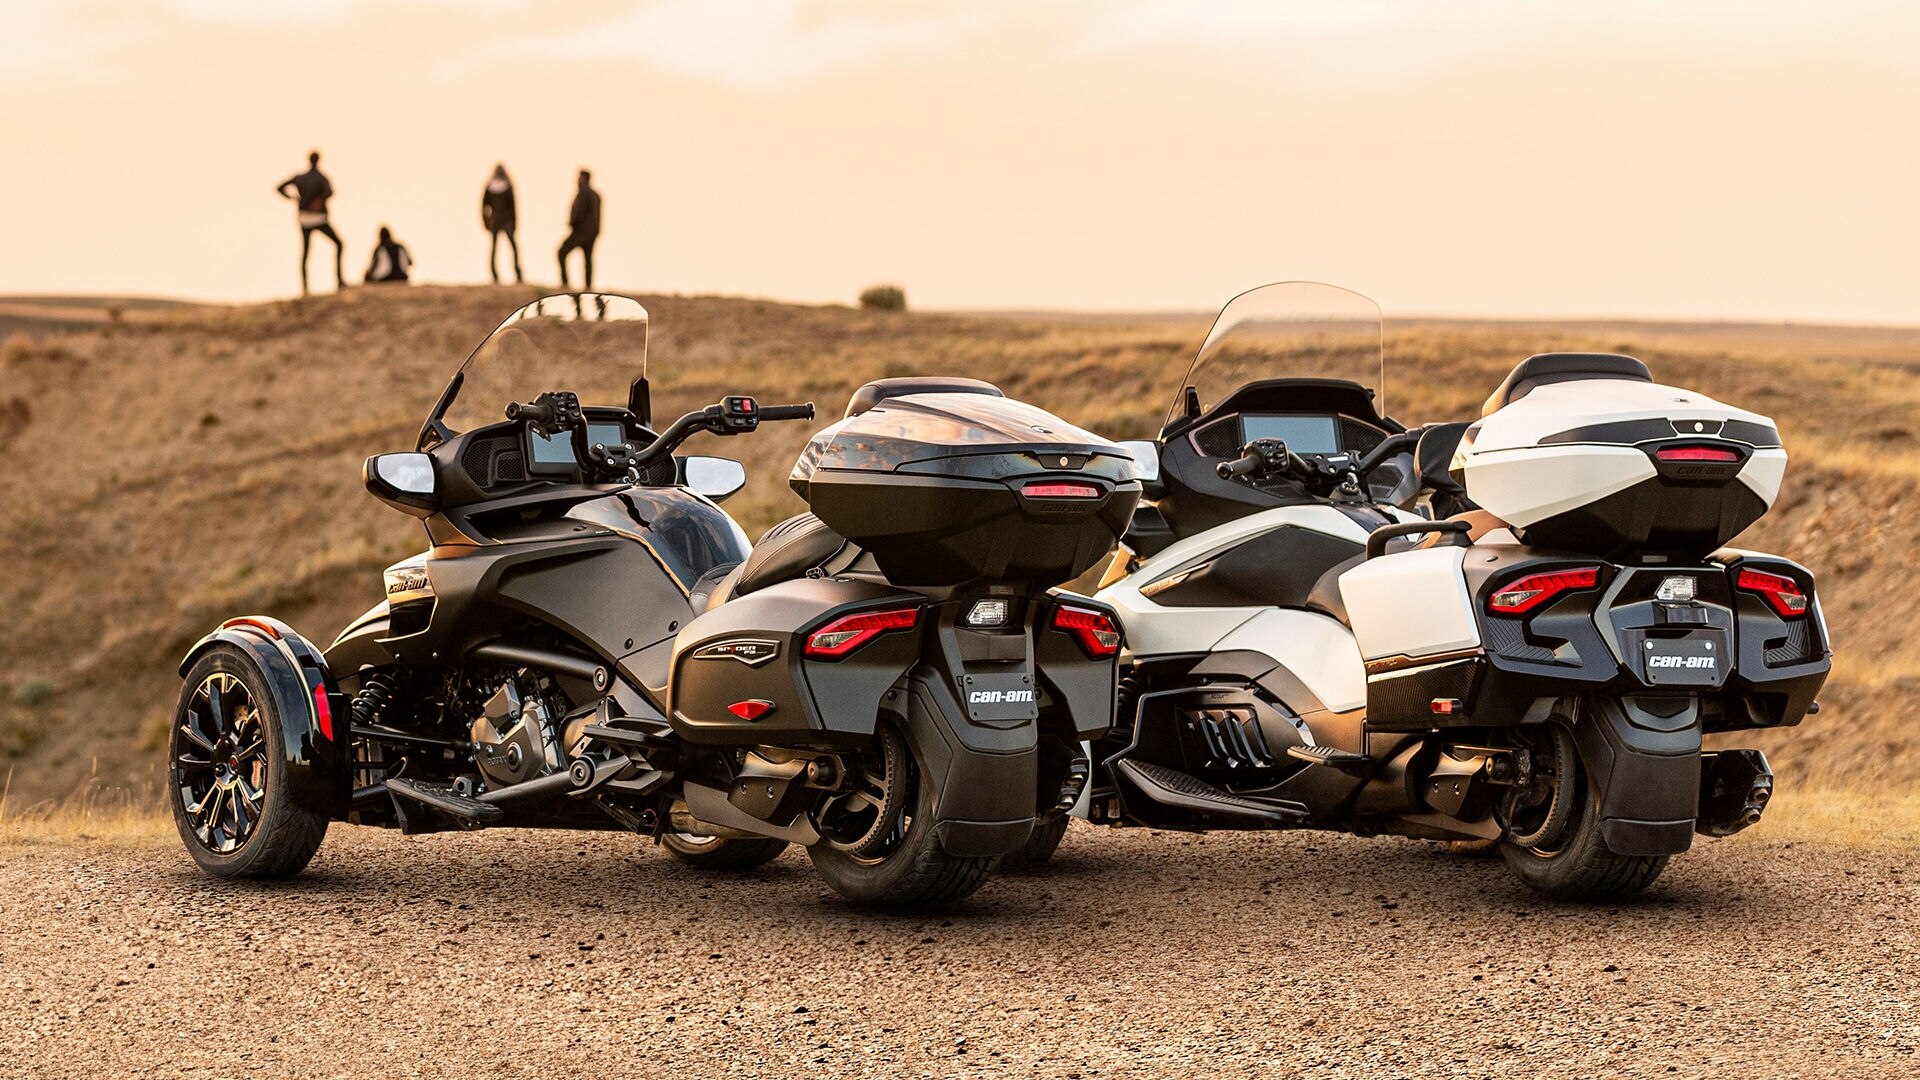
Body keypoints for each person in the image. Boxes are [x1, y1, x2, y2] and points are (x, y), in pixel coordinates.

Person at [277, 151, 344, 296]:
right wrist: (319, 200)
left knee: (306, 252)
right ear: (318, 160)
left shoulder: (300, 177)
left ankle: (305, 288)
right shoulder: (321, 178)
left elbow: (279, 187)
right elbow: (330, 192)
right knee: (339, 244)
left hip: (303, 219)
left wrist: (292, 198)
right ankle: (339, 280)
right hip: (319, 218)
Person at [558, 169, 601, 290]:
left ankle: (565, 283)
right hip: (591, 233)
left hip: (581, 232)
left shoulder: (584, 193)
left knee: (561, 252)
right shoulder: (596, 195)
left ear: (583, 178)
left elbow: (579, 212)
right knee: (588, 259)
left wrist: (573, 223)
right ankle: (588, 287)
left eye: (579, 177)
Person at [481, 164, 522, 284]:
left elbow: (484, 206)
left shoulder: (490, 186)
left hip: (496, 221)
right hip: (505, 221)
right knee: (510, 247)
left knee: (496, 248)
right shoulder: (507, 186)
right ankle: (516, 274)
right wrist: (514, 223)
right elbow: (513, 207)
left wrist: (486, 221)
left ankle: (496, 275)